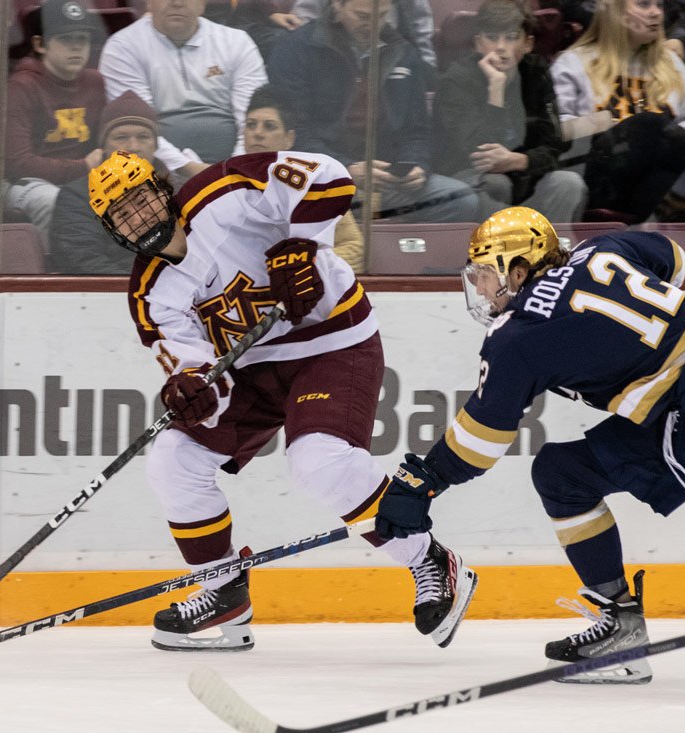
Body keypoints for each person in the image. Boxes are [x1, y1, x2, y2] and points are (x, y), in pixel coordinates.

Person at [374, 206, 685, 684]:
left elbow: (481, 437)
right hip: (682, 407)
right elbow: (675, 258)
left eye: (485, 275)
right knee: (563, 475)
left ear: (518, 270)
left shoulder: (518, 335)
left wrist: (428, 481)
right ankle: (620, 625)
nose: (479, 288)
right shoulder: (602, 247)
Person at [86, 149, 478, 651]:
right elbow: (198, 368)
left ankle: (429, 560)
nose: (139, 218)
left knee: (317, 462)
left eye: (141, 200)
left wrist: (303, 246)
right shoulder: (150, 291)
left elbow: (330, 178)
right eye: (122, 215)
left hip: (333, 342)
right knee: (172, 459)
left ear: (163, 191)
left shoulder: (223, 193)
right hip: (252, 370)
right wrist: (194, 389)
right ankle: (222, 590)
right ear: (114, 232)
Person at [267, 0, 479, 224]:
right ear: (337, 8)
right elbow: (292, 133)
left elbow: (417, 130)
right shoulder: (295, 50)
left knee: (460, 200)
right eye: (362, 16)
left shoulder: (403, 53)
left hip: (386, 179)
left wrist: (416, 166)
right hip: (319, 179)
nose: (373, 25)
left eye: (381, 16)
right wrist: (344, 168)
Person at [551, 0, 685, 222]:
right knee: (649, 123)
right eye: (643, 5)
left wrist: (660, 136)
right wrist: (609, 125)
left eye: (659, 6)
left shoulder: (670, 64)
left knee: (670, 157)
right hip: (599, 178)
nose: (655, 14)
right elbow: (554, 131)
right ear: (614, 11)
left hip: (657, 183)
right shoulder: (573, 63)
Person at [433, 0, 587, 222]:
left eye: (511, 37)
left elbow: (554, 145)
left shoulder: (536, 72)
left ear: (528, 44)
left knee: (568, 183)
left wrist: (519, 161)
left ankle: (551, 252)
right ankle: (496, 251)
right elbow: (482, 154)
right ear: (478, 43)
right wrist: (496, 90)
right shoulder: (456, 81)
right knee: (497, 183)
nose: (501, 47)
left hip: (522, 173)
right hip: (468, 177)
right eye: (492, 38)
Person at [98, 0, 268, 182]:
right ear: (149, 4)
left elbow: (254, 115)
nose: (177, 3)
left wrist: (236, 167)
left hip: (237, 169)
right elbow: (137, 127)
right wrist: (189, 168)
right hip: (160, 172)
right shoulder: (123, 47)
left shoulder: (237, 42)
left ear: (203, 4)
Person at [4, 0, 107, 232]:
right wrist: (83, 166)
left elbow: (105, 144)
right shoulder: (21, 87)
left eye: (82, 39)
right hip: (22, 183)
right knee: (55, 202)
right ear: (40, 44)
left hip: (81, 180)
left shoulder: (95, 83)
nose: (76, 48)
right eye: (65, 39)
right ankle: (57, 267)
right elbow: (16, 164)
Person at [244, 85, 365, 272]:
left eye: (269, 126)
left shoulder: (316, 187)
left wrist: (300, 268)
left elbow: (354, 247)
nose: (257, 133)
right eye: (251, 125)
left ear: (289, 139)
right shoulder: (222, 185)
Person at [48, 91, 166, 274]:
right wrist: (136, 288)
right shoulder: (78, 196)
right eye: (121, 138)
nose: (133, 147)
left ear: (155, 145)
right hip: (111, 296)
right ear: (103, 146)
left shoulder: (184, 192)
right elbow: (80, 258)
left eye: (143, 137)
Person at [292, 0, 436, 67]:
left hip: (391, 57)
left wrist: (427, 65)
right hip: (331, 59)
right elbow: (303, 24)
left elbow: (420, 30)